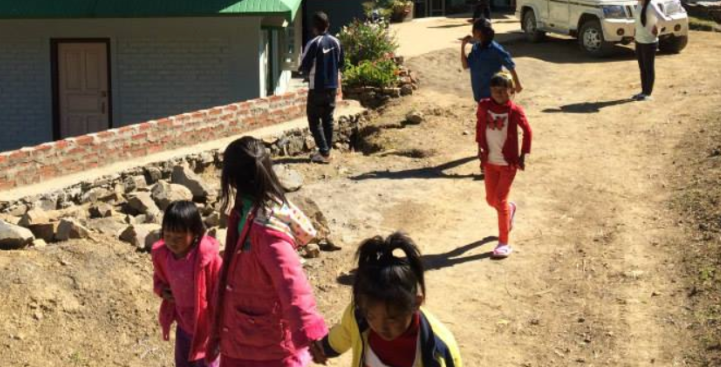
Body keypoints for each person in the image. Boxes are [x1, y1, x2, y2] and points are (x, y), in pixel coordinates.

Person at [208, 136, 328, 367]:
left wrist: (310, 333)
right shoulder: (245, 209)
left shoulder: (268, 228)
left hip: (266, 346)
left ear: (232, 179)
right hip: (240, 336)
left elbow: (292, 283)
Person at [309, 232, 463, 367]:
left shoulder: (437, 350)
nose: (380, 327)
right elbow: (345, 333)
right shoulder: (358, 315)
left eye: (392, 318)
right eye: (371, 317)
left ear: (415, 303)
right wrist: (323, 348)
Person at [151, 200, 223, 367]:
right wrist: (162, 290)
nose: (172, 242)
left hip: (206, 326)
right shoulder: (164, 256)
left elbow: (221, 286)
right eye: (167, 235)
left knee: (208, 363)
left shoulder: (205, 259)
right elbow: (159, 278)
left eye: (179, 237)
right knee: (183, 362)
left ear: (195, 233)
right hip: (183, 324)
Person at [476, 72, 532, 259]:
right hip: (490, 162)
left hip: (508, 163)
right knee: (491, 201)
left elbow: (528, 132)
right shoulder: (484, 106)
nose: (498, 94)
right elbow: (479, 127)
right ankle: (511, 209)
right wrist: (479, 150)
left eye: (503, 91)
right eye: (495, 90)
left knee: (499, 201)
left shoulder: (514, 111)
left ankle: (503, 243)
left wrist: (522, 155)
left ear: (512, 91)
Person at [298, 11, 344, 164]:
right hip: (332, 87)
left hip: (317, 87)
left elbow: (304, 66)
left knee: (313, 120)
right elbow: (340, 64)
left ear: (314, 27)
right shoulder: (336, 42)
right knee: (328, 119)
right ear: (328, 25)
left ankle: (324, 152)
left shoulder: (314, 43)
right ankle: (327, 151)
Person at [460, 18, 523, 104]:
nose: (472, 33)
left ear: (478, 32)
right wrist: (463, 45)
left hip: (495, 95)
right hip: (479, 93)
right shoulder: (475, 48)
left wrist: (517, 84)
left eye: (473, 31)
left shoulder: (495, 49)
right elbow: (465, 65)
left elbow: (510, 65)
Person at [632, 0, 672, 101]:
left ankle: (648, 93)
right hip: (639, 40)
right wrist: (635, 30)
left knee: (649, 68)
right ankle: (643, 91)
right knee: (642, 68)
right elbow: (638, 20)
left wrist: (658, 28)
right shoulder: (639, 4)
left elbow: (663, 19)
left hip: (649, 41)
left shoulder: (651, 5)